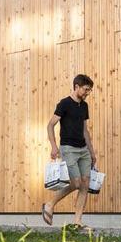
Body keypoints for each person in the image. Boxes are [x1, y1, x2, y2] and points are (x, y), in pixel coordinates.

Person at [41, 74, 97, 231]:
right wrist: (54, 146)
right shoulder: (64, 104)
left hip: (83, 150)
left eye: (89, 90)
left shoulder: (84, 106)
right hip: (68, 149)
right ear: (77, 87)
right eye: (86, 89)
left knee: (85, 185)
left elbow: (85, 130)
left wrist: (92, 152)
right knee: (75, 183)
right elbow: (50, 125)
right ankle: (50, 204)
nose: (87, 93)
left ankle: (77, 222)